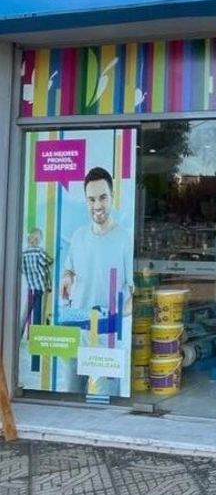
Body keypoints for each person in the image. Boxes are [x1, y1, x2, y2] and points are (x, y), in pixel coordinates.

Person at [58, 167, 133, 396]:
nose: (97, 205)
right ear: (86, 200)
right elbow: (70, 270)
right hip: (76, 328)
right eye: (91, 199)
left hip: (106, 335)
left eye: (102, 197)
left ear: (112, 197)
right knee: (72, 398)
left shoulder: (125, 240)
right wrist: (67, 277)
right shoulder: (79, 236)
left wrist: (114, 316)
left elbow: (135, 293)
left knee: (105, 403)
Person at [21, 227, 52, 340]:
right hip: (40, 287)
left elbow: (22, 269)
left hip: (31, 287)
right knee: (38, 313)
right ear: (38, 240)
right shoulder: (39, 252)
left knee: (27, 312)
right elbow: (49, 261)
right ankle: (36, 336)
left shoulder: (24, 253)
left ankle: (20, 333)